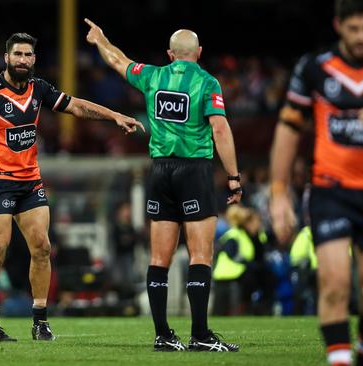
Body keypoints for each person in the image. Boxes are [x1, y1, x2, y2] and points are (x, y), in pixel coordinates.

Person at [0, 32, 143, 343]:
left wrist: (113, 115)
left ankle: (40, 321)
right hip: (1, 182)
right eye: (17, 54)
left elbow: (75, 106)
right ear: (7, 58)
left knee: (43, 248)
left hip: (31, 181)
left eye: (28, 55)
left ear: (34, 59)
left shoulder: (39, 89)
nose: (22, 60)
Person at [85, 19, 242, 352]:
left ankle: (163, 335)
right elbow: (221, 130)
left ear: (170, 54)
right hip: (194, 170)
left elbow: (118, 60)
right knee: (201, 255)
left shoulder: (153, 76)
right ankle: (200, 334)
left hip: (160, 171)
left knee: (159, 258)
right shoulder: (207, 81)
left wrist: (100, 39)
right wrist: (233, 176)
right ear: (199, 53)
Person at [269, 0, 363, 364]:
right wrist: (279, 192)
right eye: (353, 29)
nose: (361, 37)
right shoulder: (314, 69)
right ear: (338, 26)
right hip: (330, 190)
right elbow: (288, 128)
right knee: (333, 285)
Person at [213, 205, 274, 316]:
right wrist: (250, 264)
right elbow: (234, 255)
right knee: (224, 313)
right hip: (231, 276)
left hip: (237, 276)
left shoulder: (253, 236)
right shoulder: (235, 234)